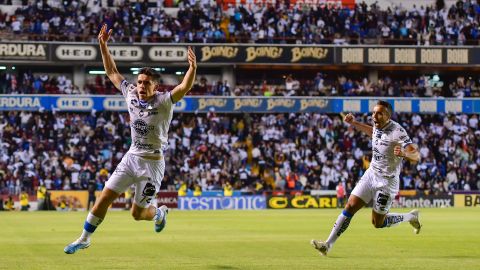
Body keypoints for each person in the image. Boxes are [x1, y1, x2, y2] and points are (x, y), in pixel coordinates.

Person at [64, 24, 197, 254]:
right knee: (104, 197)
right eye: (140, 82)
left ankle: (159, 213)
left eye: (147, 83)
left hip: (153, 164)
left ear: (156, 86)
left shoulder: (165, 101)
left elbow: (184, 87)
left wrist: (192, 67)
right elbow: (112, 72)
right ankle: (84, 238)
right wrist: (103, 45)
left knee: (137, 214)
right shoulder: (130, 94)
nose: (141, 86)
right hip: (131, 157)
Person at [311, 100, 422, 256]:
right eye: (373, 113)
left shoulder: (398, 132)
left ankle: (410, 216)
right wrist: (354, 123)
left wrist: (405, 154)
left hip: (387, 182)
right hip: (371, 174)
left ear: (388, 116)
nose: (374, 116)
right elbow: (373, 133)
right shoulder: (377, 126)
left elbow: (416, 155)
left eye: (379, 113)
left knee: (378, 223)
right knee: (349, 206)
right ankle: (327, 245)